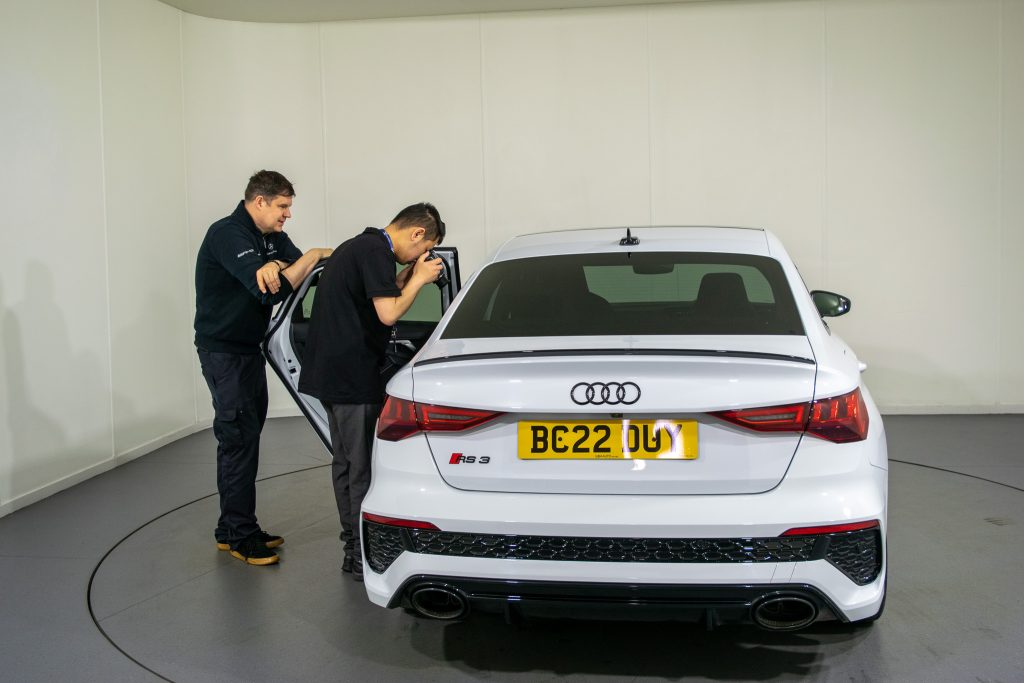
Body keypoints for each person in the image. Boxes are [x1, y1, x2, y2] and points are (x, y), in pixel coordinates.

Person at [299, 203, 445, 581]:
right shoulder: (377, 252)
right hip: (351, 378)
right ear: (417, 235)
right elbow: (388, 314)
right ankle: (364, 552)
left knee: (346, 464)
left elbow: (377, 296)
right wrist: (419, 280)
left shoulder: (358, 247)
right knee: (360, 467)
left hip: (331, 375)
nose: (417, 256)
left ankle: (352, 548)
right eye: (423, 248)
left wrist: (406, 276)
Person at [194, 170, 332, 566]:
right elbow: (272, 289)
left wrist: (287, 262)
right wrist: (308, 257)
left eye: (288, 207)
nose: (287, 215)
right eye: (282, 207)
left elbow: (291, 270)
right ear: (259, 202)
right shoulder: (227, 234)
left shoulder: (269, 236)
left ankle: (231, 527)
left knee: (247, 436)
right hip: (224, 354)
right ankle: (240, 535)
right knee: (238, 440)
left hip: (247, 350)